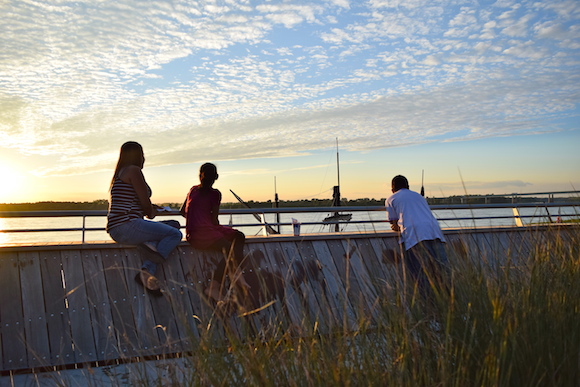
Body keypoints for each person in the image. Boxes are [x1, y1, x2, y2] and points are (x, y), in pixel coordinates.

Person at [106, 141, 182, 296]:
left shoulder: (121, 172)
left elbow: (135, 201)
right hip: (126, 225)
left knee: (173, 224)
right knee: (175, 234)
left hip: (120, 226)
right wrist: (151, 211)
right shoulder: (134, 171)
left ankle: (148, 259)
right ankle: (151, 265)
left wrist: (151, 207)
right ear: (139, 156)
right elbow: (145, 205)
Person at [181, 163, 249, 302]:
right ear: (216, 177)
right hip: (204, 233)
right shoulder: (215, 194)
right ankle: (214, 286)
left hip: (193, 233)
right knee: (232, 247)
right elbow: (214, 219)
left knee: (238, 236)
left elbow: (183, 212)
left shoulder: (192, 190)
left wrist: (197, 218)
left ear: (200, 175)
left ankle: (235, 273)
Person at [385, 175, 449, 300]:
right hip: (434, 232)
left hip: (415, 236)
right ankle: (450, 304)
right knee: (443, 272)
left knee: (420, 275)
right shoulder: (419, 196)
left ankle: (428, 309)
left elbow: (394, 224)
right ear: (408, 186)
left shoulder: (391, 198)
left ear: (393, 188)